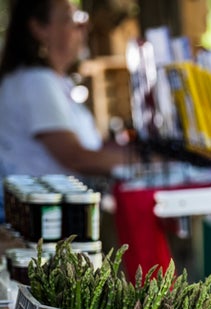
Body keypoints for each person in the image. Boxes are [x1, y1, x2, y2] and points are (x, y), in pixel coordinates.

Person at [0, 0, 131, 182]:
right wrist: (147, 161)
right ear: (39, 28)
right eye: (72, 18)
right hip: (44, 209)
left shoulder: (48, 80)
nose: (84, 26)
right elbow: (76, 157)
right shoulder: (35, 81)